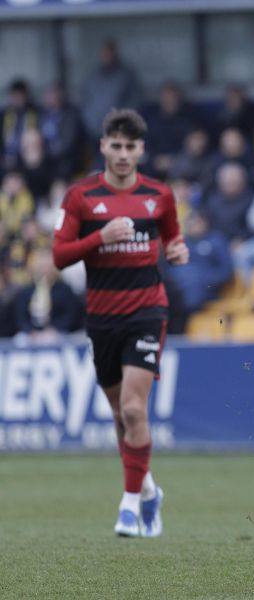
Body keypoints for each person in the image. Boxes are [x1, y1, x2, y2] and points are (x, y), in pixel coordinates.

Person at [51, 109, 189, 537]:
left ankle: (129, 506)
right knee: (119, 414)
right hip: (102, 318)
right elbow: (59, 256)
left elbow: (173, 238)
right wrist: (99, 238)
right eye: (116, 145)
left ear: (141, 149)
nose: (124, 154)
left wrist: (178, 251)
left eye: (131, 146)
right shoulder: (81, 197)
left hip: (147, 311)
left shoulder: (159, 195)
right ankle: (148, 489)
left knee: (133, 407)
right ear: (103, 146)